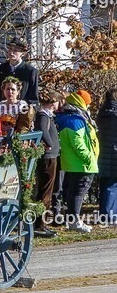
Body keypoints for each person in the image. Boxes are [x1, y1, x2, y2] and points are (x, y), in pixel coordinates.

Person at [57, 90, 100, 232]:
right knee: (78, 193)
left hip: (72, 163)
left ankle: (71, 221)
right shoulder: (75, 120)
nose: (88, 108)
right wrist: (89, 158)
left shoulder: (67, 117)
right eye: (87, 104)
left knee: (72, 193)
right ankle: (75, 221)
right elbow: (78, 143)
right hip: (81, 164)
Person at [32, 90, 61, 237]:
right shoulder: (43, 115)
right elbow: (42, 129)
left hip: (51, 156)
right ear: (52, 101)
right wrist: (49, 144)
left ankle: (41, 223)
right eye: (57, 101)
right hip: (48, 157)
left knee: (46, 190)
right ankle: (40, 224)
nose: (58, 104)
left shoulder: (46, 115)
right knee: (46, 191)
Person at [0, 37, 39, 104]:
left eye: (15, 50)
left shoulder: (30, 71)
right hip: (2, 109)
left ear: (23, 53)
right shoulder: (2, 69)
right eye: (10, 49)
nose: (11, 52)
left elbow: (33, 98)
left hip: (22, 110)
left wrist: (28, 110)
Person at [97, 88, 117, 225]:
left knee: (105, 184)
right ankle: (110, 215)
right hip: (114, 152)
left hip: (102, 151)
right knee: (112, 185)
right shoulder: (115, 114)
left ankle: (105, 213)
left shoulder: (102, 112)